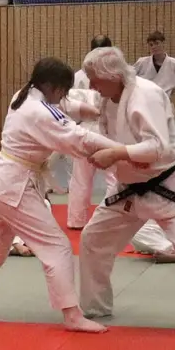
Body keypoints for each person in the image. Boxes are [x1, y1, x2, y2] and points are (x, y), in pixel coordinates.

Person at [0, 58, 131, 333]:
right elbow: (78, 139)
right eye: (62, 90)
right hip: (14, 189)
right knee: (56, 247)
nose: (64, 97)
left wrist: (92, 111)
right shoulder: (38, 112)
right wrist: (124, 151)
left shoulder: (23, 97)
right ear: (50, 86)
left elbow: (64, 107)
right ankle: (71, 314)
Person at [76, 47, 175, 334]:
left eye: (94, 78)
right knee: (93, 238)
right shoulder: (108, 99)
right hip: (129, 190)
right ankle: (95, 306)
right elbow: (109, 137)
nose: (91, 85)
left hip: (167, 188)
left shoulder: (145, 95)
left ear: (111, 75)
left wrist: (114, 154)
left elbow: (155, 148)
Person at [64, 34, 116, 229]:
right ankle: (114, 218)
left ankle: (76, 220)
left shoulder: (79, 75)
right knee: (114, 176)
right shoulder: (116, 74)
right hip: (107, 129)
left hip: (84, 129)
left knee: (80, 178)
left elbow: (69, 105)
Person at [133, 30, 175, 99]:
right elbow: (128, 77)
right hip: (144, 99)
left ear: (163, 43)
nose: (154, 47)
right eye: (151, 45)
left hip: (164, 100)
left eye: (157, 43)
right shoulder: (142, 62)